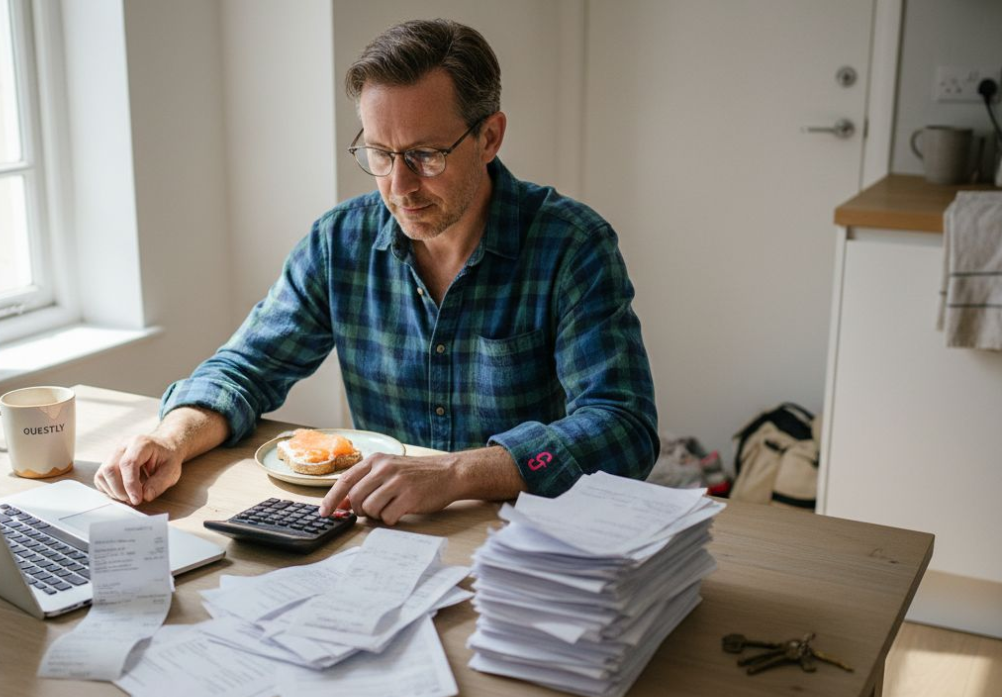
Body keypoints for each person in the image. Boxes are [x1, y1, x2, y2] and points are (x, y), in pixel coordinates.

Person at [95, 18, 658, 525]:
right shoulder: (340, 241)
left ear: (489, 137)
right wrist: (170, 439)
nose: (399, 186)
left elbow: (623, 427)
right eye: (381, 154)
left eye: (425, 155)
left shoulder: (571, 245)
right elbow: (245, 370)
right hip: (381, 542)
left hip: (526, 543)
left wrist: (456, 474)